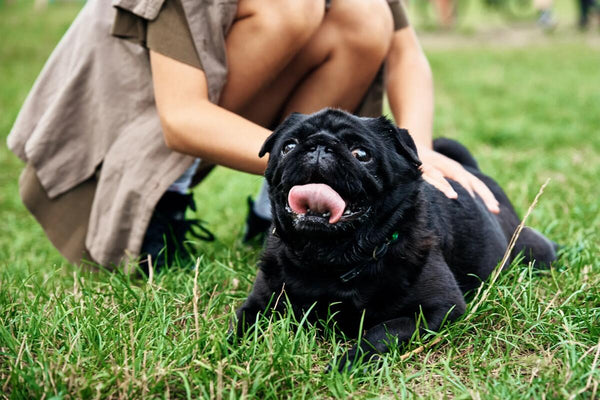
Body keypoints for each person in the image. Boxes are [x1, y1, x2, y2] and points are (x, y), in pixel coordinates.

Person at [7, 0, 499, 271]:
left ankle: (280, 211)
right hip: (113, 149)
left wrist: (419, 149)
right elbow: (180, 117)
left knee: (365, 16)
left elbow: (403, 51)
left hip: (216, 108)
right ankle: (163, 200)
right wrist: (313, 162)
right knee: (291, 7)